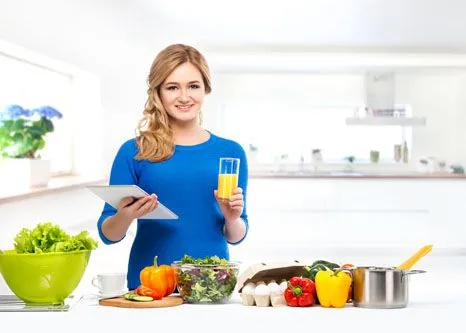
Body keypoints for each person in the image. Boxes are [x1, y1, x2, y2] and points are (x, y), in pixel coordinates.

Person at [96, 44, 249, 290]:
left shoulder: (231, 153)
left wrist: (232, 218)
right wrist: (126, 216)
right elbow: (108, 234)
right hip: (150, 284)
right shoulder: (134, 150)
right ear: (157, 92)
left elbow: (237, 235)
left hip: (211, 284)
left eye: (193, 86)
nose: (184, 97)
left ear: (206, 89)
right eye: (172, 87)